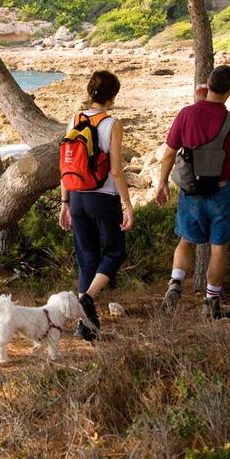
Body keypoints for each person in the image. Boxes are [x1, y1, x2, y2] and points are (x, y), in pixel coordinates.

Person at [154, 65, 230, 319]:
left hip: (190, 193)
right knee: (219, 247)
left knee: (186, 240)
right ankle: (210, 304)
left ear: (208, 83)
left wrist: (162, 183)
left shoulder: (186, 114)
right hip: (223, 192)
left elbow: (169, 153)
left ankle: (175, 284)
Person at [59, 70, 134, 341]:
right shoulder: (112, 124)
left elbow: (66, 166)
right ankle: (88, 299)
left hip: (77, 196)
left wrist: (64, 202)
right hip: (103, 197)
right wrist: (127, 204)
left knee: (86, 257)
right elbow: (116, 171)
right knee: (115, 252)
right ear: (112, 96)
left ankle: (85, 326)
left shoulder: (75, 119)